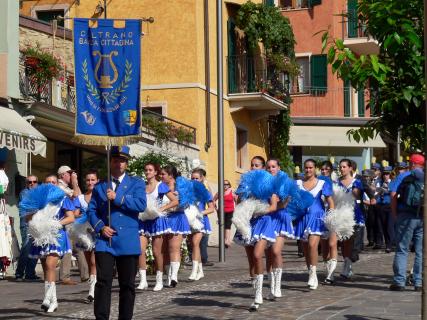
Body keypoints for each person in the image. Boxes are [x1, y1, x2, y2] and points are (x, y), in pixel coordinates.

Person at [88, 146, 147, 320]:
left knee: (127, 285)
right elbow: (91, 211)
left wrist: (118, 198)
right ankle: (101, 317)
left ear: (126, 164)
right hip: (106, 241)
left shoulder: (136, 183)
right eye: (115, 160)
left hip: (128, 241)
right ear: (110, 161)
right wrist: (100, 227)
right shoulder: (100, 186)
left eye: (122, 160)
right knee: (103, 282)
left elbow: (141, 205)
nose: (119, 163)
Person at [27, 175, 76, 313]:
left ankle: (47, 298)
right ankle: (53, 301)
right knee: (46, 269)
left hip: (57, 235)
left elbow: (71, 217)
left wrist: (54, 224)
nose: (50, 184)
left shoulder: (63, 198)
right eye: (47, 182)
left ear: (57, 184)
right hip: (42, 236)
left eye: (53, 182)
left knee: (50, 265)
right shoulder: (39, 200)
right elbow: (27, 218)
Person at [295, 159, 334, 289]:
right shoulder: (298, 183)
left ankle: (313, 274)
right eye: (306, 168)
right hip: (303, 217)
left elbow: (330, 201)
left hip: (317, 217)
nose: (308, 170)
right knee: (306, 248)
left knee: (313, 245)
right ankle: (311, 272)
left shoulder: (322, 183)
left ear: (315, 168)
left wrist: (331, 216)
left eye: (311, 168)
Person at [389, 153, 425, 291]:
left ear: (412, 163)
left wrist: (395, 214)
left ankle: (399, 282)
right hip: (422, 217)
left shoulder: (404, 176)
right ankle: (419, 282)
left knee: (402, 249)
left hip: (405, 216)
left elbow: (393, 194)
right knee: (420, 251)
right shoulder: (425, 177)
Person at [141, 162, 178, 291]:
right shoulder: (142, 187)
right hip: (144, 220)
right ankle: (143, 280)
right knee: (140, 250)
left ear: (155, 172)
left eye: (150, 170)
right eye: (146, 170)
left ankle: (159, 279)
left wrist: (161, 208)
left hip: (158, 221)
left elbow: (175, 201)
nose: (147, 172)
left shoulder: (161, 186)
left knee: (157, 252)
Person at [265, 158, 295, 299]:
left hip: (280, 218)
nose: (271, 169)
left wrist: (277, 204)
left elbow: (285, 203)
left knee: (276, 251)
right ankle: (271, 285)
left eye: (273, 166)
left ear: (278, 167)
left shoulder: (285, 183)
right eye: (268, 167)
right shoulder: (263, 182)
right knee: (269, 254)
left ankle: (277, 284)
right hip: (266, 218)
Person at [57, 165, 87, 285]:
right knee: (68, 249)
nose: (71, 175)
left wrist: (75, 183)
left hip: (70, 221)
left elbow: (79, 198)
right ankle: (65, 277)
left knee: (77, 248)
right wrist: (75, 183)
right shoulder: (59, 187)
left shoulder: (66, 187)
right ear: (63, 175)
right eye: (69, 173)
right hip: (64, 222)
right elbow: (75, 195)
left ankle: (85, 275)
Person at [161, 165, 191, 288]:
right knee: (165, 249)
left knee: (174, 247)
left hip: (177, 218)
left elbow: (186, 202)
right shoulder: (161, 187)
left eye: (163, 174)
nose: (161, 176)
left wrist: (172, 205)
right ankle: (168, 276)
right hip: (164, 219)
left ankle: (174, 276)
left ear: (171, 176)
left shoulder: (180, 187)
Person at [337, 159, 363, 279]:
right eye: (340, 167)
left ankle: (349, 263)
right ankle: (346, 264)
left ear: (350, 168)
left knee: (352, 239)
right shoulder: (337, 182)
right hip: (341, 212)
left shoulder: (356, 181)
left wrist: (355, 191)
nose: (342, 169)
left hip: (353, 212)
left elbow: (356, 195)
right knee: (343, 241)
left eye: (344, 167)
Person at [75, 171, 99, 302]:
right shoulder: (80, 198)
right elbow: (75, 213)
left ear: (97, 180)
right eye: (88, 180)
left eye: (93, 180)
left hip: (98, 230)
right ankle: (93, 285)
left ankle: (92, 292)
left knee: (94, 261)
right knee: (90, 261)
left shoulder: (101, 196)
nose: (90, 182)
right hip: (85, 231)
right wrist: (79, 215)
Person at [188, 169, 215, 281]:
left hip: (201, 221)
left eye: (197, 178)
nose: (194, 180)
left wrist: (200, 213)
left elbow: (211, 208)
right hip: (190, 221)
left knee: (195, 244)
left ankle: (194, 271)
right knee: (194, 246)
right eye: (192, 178)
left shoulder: (205, 192)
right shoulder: (188, 191)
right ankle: (200, 271)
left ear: (202, 178)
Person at [15, 175, 40, 281]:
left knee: (35, 249)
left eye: (34, 182)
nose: (32, 184)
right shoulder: (25, 193)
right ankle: (19, 274)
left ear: (37, 183)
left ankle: (30, 273)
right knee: (26, 249)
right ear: (26, 183)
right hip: (27, 224)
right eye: (30, 182)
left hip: (37, 224)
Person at [214, 180, 236, 248]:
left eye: (226, 184)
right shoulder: (219, 192)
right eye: (223, 184)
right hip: (221, 211)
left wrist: (237, 210)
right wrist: (216, 208)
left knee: (228, 225)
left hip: (230, 211)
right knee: (222, 225)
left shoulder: (232, 192)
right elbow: (214, 200)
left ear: (229, 185)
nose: (225, 185)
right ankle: (223, 240)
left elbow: (236, 201)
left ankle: (227, 240)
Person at [0, 161, 12, 279]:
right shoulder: (2, 174)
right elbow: (1, 190)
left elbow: (2, 191)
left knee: (3, 241)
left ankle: (2, 268)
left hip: (2, 213)